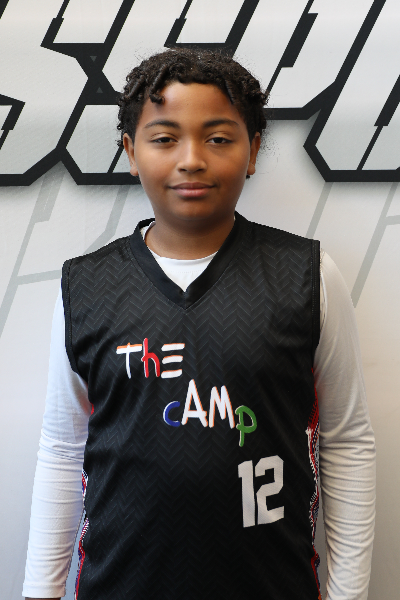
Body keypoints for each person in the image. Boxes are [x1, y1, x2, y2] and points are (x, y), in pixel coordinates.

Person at [23, 48, 375, 600]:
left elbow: (347, 441)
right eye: (165, 138)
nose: (191, 159)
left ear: (252, 150)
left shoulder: (307, 276)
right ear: (131, 152)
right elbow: (63, 450)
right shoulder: (86, 287)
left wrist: (348, 594)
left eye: (218, 138)